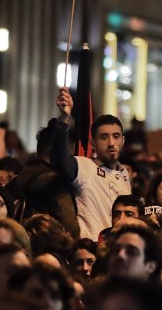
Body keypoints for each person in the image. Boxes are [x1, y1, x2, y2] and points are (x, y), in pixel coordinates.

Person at [50, 87, 130, 240]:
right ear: (92, 143)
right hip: (92, 250)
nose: (111, 143)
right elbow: (59, 161)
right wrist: (65, 119)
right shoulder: (85, 167)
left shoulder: (124, 173)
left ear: (123, 141)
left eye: (116, 136)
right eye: (104, 137)